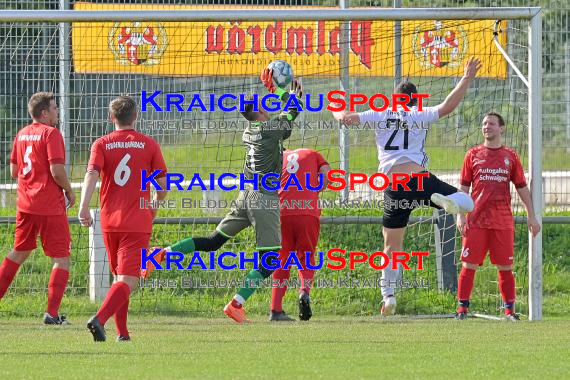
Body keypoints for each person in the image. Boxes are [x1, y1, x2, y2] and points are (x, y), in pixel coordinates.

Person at [142, 75, 304, 324]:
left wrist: (282, 93)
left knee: (213, 241)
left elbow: (287, 117)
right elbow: (294, 110)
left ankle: (160, 254)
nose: (268, 105)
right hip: (263, 198)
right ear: (260, 110)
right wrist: (281, 90)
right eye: (264, 103)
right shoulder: (270, 130)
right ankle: (236, 304)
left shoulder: (249, 131)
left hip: (244, 196)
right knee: (270, 260)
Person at [331, 57, 482, 316]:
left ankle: (388, 296)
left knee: (391, 244)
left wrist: (334, 106)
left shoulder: (379, 112)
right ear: (414, 100)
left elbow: (346, 118)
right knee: (468, 203)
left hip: (394, 185)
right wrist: (466, 77)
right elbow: (448, 106)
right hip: (420, 179)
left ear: (394, 98)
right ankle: (446, 202)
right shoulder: (419, 113)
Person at [78, 95, 168, 341]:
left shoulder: (101, 143)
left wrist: (84, 206)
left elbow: (91, 175)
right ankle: (99, 319)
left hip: (109, 221)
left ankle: (123, 334)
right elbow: (162, 185)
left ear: (111, 117)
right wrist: (154, 206)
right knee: (130, 280)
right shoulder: (149, 144)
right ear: (136, 116)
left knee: (120, 278)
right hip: (137, 221)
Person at [455, 112, 540, 321]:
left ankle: (510, 311)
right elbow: (463, 188)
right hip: (476, 221)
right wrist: (461, 215)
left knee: (505, 267)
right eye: (484, 123)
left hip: (502, 221)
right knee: (469, 265)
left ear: (501, 128)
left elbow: (521, 188)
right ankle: (461, 310)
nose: (487, 127)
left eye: (491, 123)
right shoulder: (472, 154)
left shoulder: (510, 156)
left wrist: (532, 216)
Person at [0, 92, 74, 325]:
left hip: (25, 204)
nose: (57, 112)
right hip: (49, 205)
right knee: (61, 259)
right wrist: (70, 191)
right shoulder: (51, 134)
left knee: (18, 253)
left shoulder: (21, 134)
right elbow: (57, 171)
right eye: (54, 108)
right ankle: (52, 314)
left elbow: (14, 171)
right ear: (44, 113)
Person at [270, 148, 331, 322]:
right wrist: (314, 192)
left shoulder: (277, 157)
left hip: (281, 213)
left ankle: (275, 309)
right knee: (306, 257)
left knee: (282, 260)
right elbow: (327, 176)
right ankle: (304, 291)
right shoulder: (313, 153)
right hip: (307, 212)